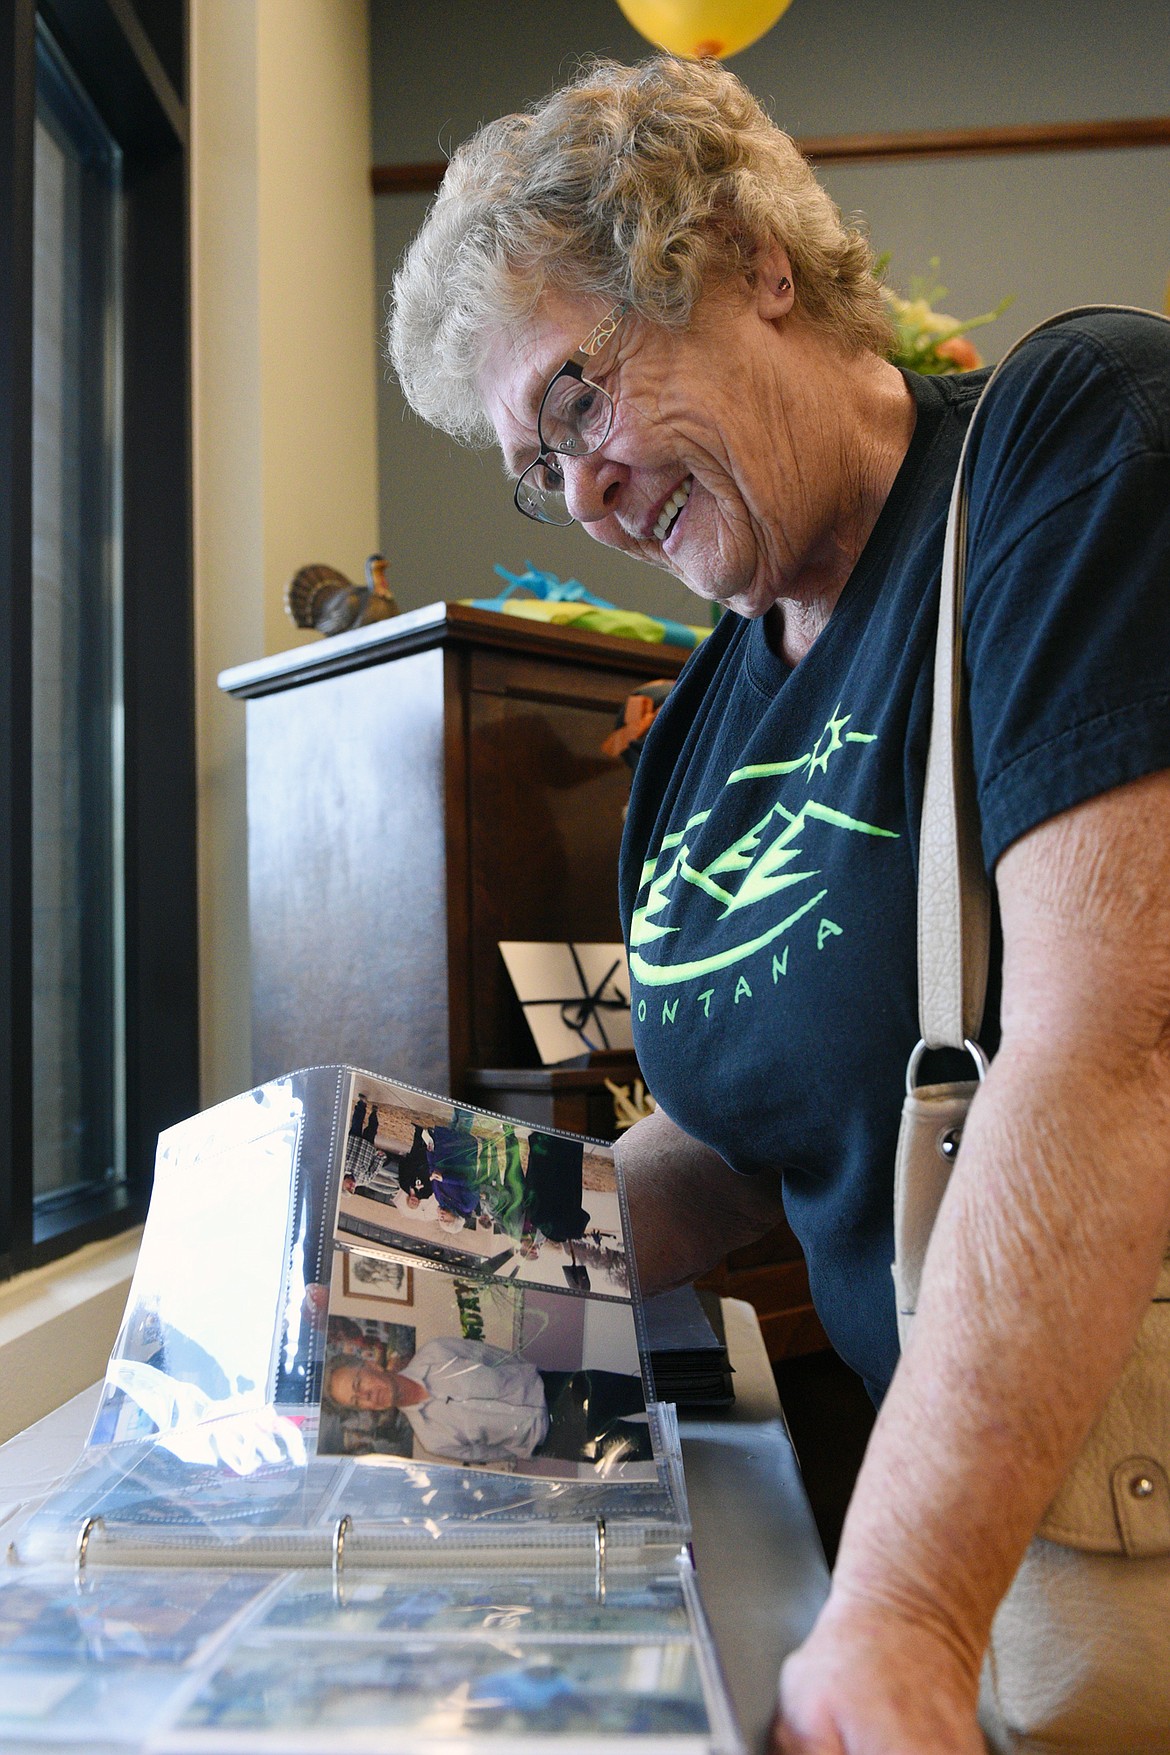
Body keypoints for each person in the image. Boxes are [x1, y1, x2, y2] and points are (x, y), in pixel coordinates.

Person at [387, 52, 1170, 1754]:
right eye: (538, 466)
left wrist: (901, 1607)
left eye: (579, 399)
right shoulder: (704, 720)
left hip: (1107, 1515)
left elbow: (1112, 1045)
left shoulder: (1064, 449)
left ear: (752, 263)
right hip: (982, 1532)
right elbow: (737, 1139)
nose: (579, 494)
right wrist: (426, 1278)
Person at [323, 1339, 651, 1466]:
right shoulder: (431, 1439)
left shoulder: (437, 1353)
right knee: (658, 1447)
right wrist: (534, 1440)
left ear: (370, 1366)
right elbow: (495, 1453)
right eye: (356, 1402)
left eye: (358, 1384)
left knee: (652, 1391)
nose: (365, 1396)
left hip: (564, 1389)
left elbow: (496, 1358)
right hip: (560, 1442)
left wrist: (531, 1381)